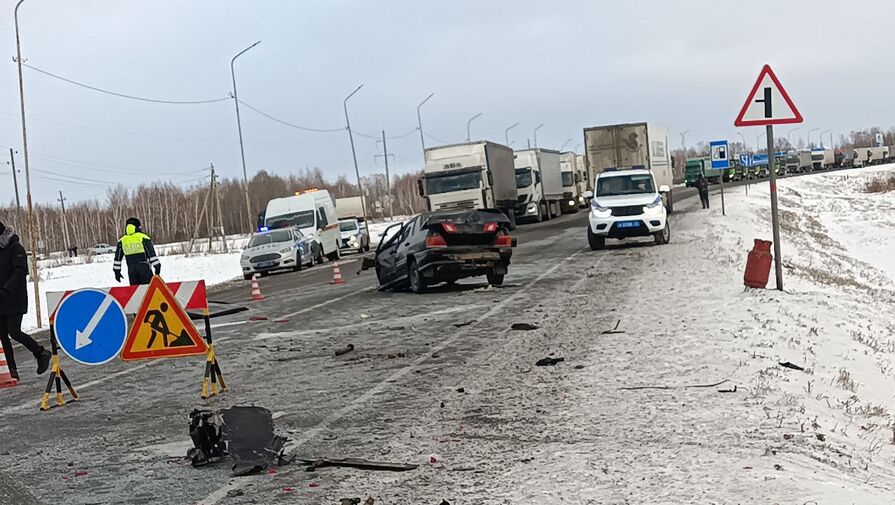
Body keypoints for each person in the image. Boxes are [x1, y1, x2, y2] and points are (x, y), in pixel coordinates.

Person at [0, 221, 51, 380]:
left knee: (14, 331)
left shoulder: (16, 248)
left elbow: (20, 271)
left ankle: (41, 352)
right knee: (2, 335)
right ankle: (11, 371)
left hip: (14, 298)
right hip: (1, 299)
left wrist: (6, 289)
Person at [113, 217, 160, 285]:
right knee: (148, 291)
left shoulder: (122, 241)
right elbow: (151, 254)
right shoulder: (143, 237)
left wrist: (117, 271)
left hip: (131, 270)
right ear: (138, 227)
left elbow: (117, 258)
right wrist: (157, 266)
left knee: (135, 292)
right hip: (145, 268)